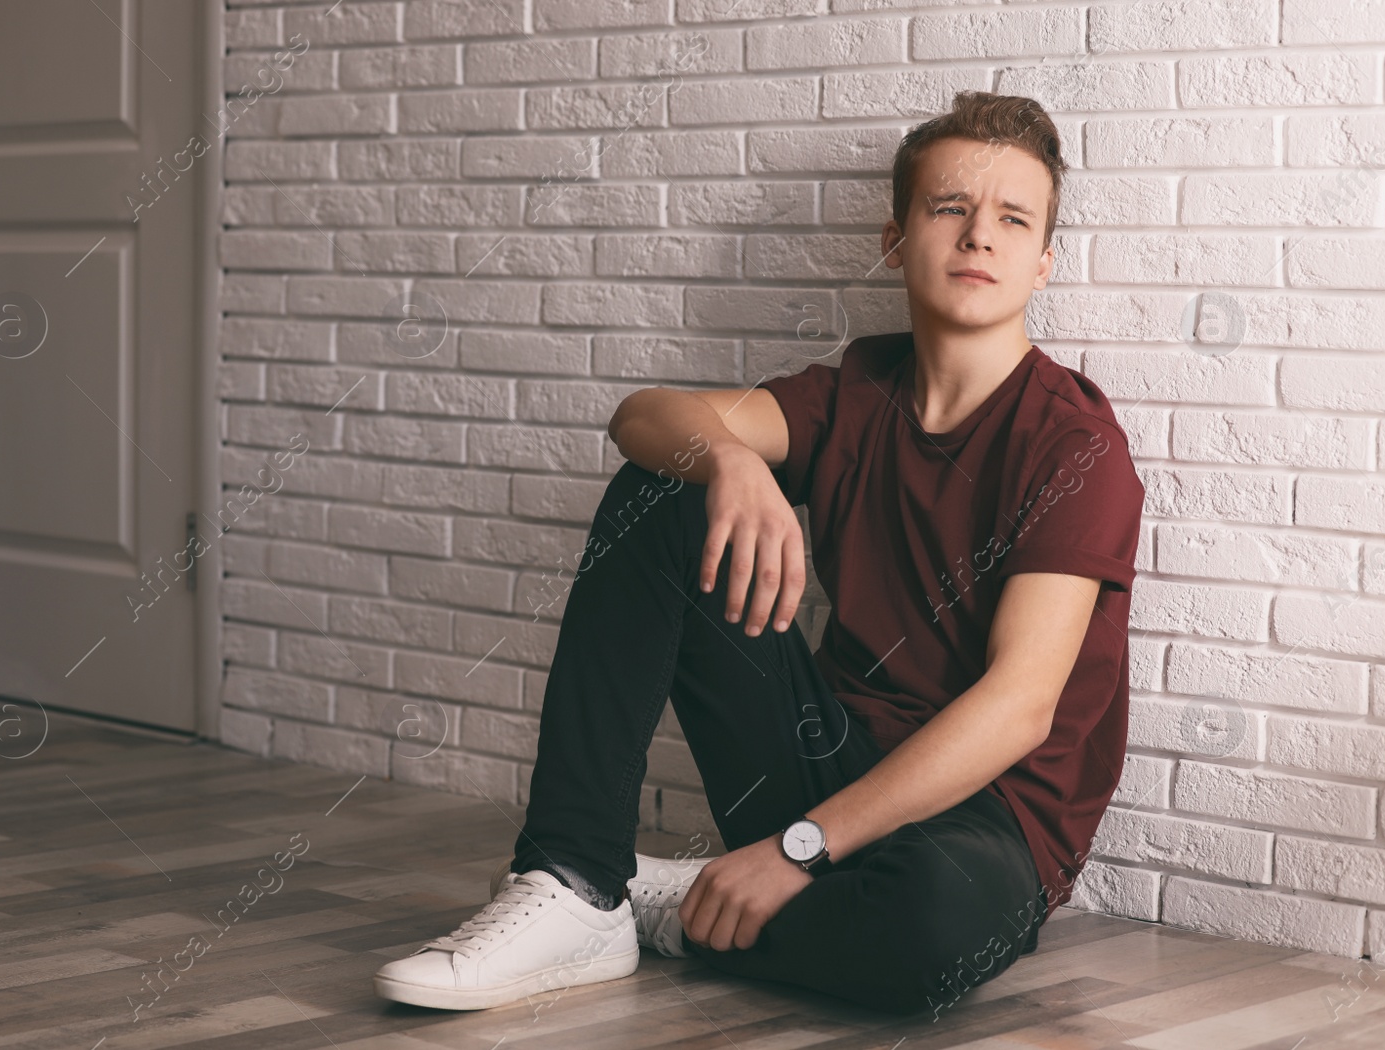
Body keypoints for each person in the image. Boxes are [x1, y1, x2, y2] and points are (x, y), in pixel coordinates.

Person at [373, 89, 1145, 1016]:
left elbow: (1019, 709)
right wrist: (732, 461)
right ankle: (576, 884)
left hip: (987, 824)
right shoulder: (857, 391)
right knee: (664, 491)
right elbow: (642, 417)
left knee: (929, 937)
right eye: (951, 208)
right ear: (896, 239)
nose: (980, 237)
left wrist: (796, 850)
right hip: (829, 756)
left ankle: (676, 909)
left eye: (1013, 219)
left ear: (1044, 261)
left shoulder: (1072, 446)